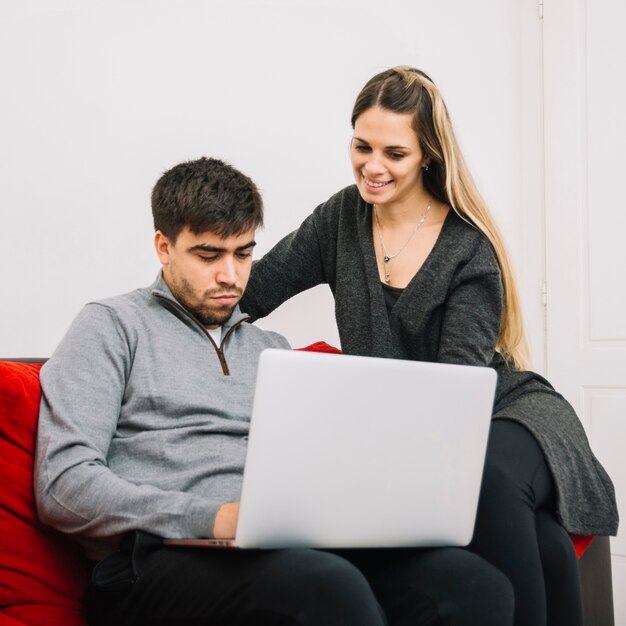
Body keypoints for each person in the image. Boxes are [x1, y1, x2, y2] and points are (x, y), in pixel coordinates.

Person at [35, 156, 514, 626]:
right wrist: (213, 519)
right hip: (156, 560)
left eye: (243, 253)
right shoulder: (112, 326)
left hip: (282, 549)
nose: (231, 276)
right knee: (325, 586)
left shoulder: (271, 349)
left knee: (471, 584)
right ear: (163, 246)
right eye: (209, 255)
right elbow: (63, 483)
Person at [239, 67, 619, 626]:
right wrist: (167, 301)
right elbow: (253, 290)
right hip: (441, 418)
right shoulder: (341, 219)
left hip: (508, 409)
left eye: (394, 153)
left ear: (428, 157)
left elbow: (454, 398)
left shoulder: (467, 247)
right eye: (361, 146)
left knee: (487, 484)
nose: (372, 166)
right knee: (543, 543)